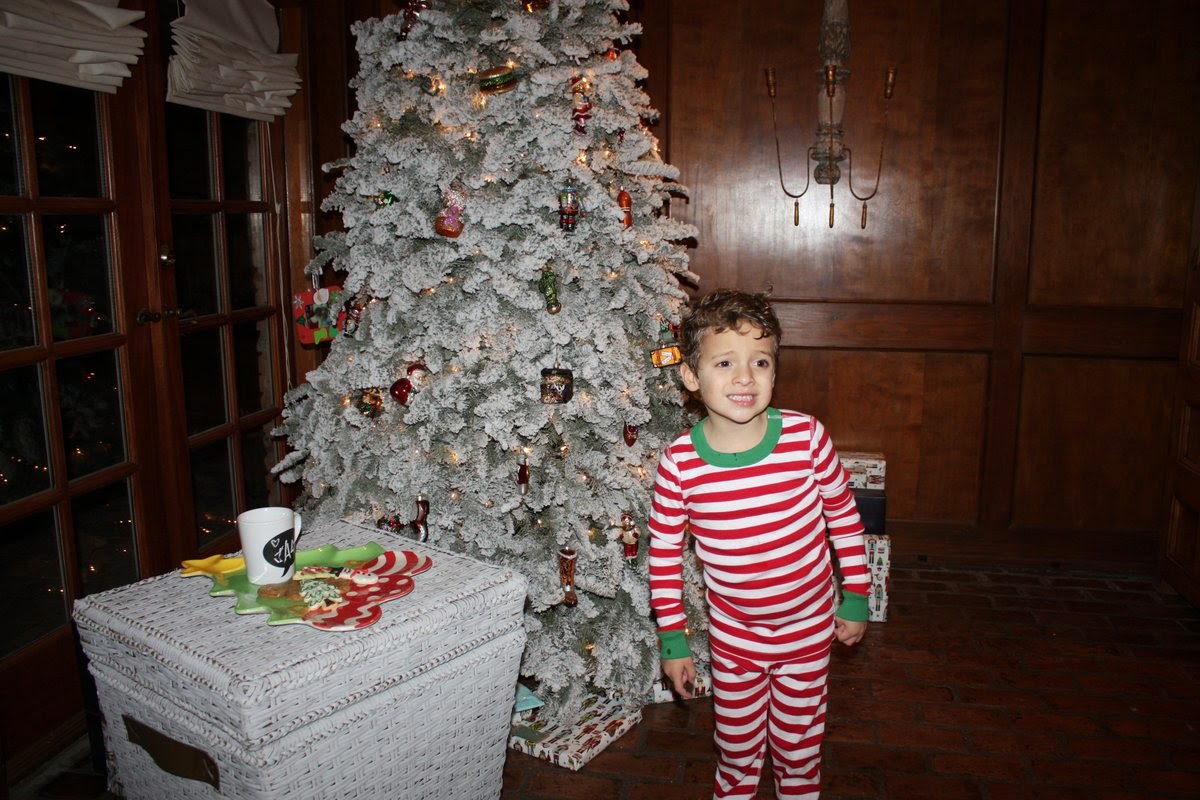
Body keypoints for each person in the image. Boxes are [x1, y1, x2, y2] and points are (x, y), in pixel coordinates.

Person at [648, 289, 870, 800]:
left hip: (808, 632)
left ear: (775, 371)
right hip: (735, 640)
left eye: (760, 361)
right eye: (725, 362)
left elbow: (843, 519)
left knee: (799, 749)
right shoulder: (679, 463)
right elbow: (663, 557)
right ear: (691, 376)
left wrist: (857, 596)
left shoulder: (807, 438)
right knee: (737, 748)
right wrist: (673, 640)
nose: (745, 377)